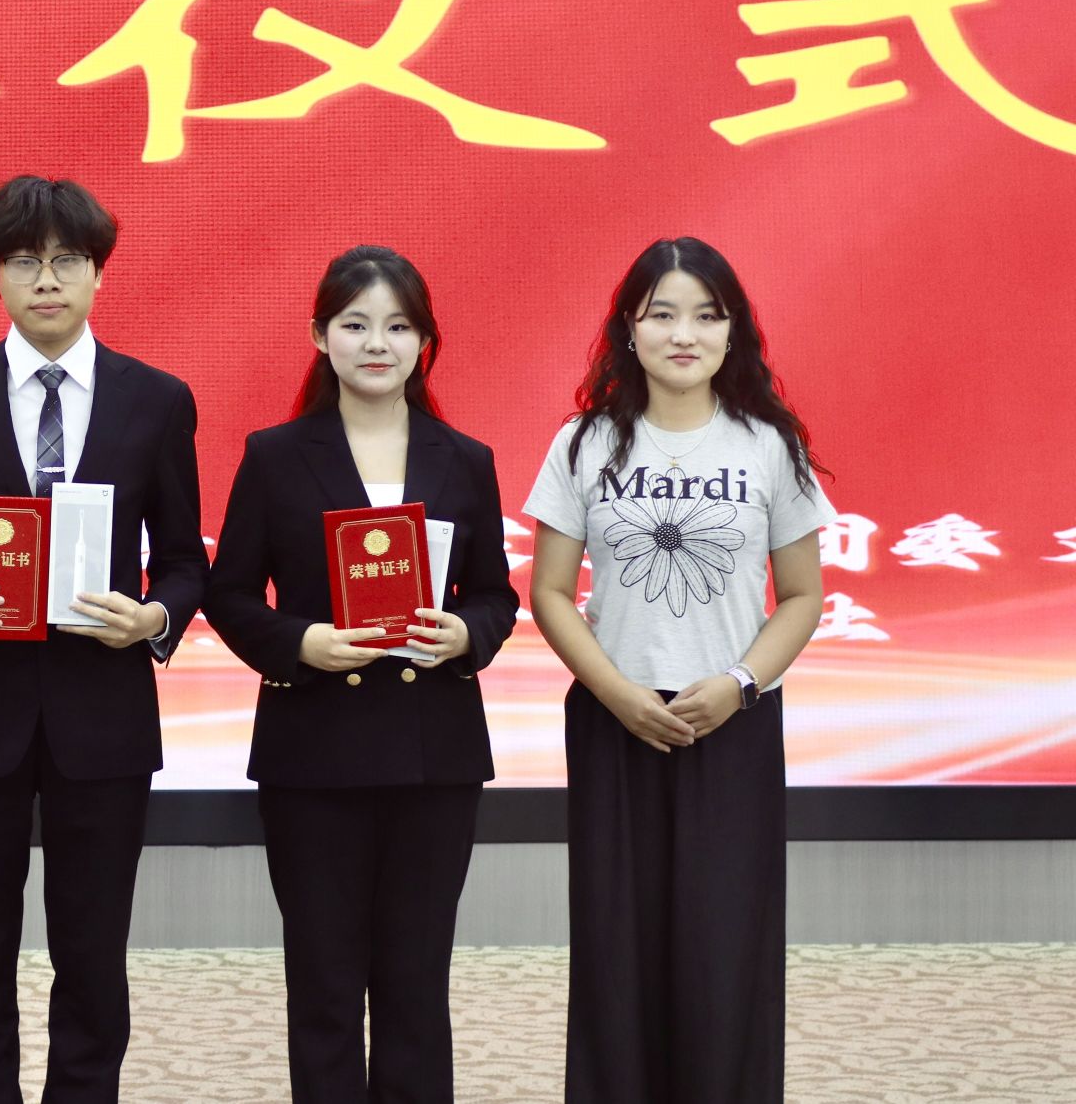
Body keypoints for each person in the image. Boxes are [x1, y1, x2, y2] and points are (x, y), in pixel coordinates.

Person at [0, 175, 209, 1104]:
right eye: (24, 261)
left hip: (105, 716)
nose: (46, 279)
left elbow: (185, 559)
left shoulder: (157, 399)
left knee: (93, 959)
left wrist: (155, 618)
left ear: (99, 274)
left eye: (66, 261)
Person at [205, 245, 518, 1104]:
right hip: (314, 753)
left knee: (416, 985)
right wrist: (301, 642)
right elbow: (230, 593)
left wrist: (466, 632)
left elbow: (496, 594)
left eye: (398, 326)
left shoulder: (466, 458)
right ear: (320, 335)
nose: (377, 344)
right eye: (355, 325)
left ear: (424, 341)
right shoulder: (275, 455)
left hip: (434, 757)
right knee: (325, 986)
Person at [523, 237, 833, 1104]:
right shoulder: (583, 444)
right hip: (615, 719)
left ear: (734, 332)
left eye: (706, 314)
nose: (683, 333)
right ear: (630, 328)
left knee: (724, 947)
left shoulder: (769, 446)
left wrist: (739, 683)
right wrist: (618, 692)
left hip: (732, 720)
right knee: (616, 947)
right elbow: (549, 591)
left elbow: (802, 596)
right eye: (662, 314)